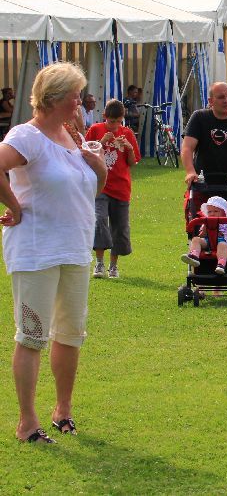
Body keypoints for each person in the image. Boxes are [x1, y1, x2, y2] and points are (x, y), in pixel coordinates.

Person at [0, 62, 107, 443]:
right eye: (75, 94)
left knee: (71, 333)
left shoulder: (71, 135)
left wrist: (96, 164)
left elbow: (92, 188)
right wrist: (13, 206)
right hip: (36, 250)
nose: (81, 101)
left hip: (75, 248)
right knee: (32, 335)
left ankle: (63, 409)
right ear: (54, 98)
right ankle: (27, 422)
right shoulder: (26, 136)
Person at [85, 99, 140, 279]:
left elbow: (132, 163)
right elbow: (84, 156)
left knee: (120, 227)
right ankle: (99, 263)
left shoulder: (127, 133)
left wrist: (129, 148)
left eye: (118, 122)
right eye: (111, 122)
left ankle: (113, 266)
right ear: (104, 117)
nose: (115, 126)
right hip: (101, 185)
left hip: (121, 187)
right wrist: (101, 142)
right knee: (99, 220)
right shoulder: (95, 130)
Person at [181, 82, 227, 190]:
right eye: (221, 97)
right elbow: (187, 147)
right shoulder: (199, 117)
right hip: (202, 182)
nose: (226, 100)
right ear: (210, 101)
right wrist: (190, 172)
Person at [181, 196, 227, 275]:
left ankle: (221, 264)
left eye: (215, 211)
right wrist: (204, 229)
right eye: (210, 212)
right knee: (195, 239)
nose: (212, 214)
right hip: (208, 241)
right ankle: (194, 256)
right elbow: (201, 236)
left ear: (224, 212)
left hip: (223, 241)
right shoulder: (205, 221)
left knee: (222, 245)